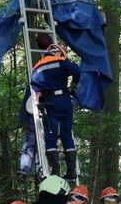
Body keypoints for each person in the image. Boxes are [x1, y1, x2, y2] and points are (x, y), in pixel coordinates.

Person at [22, 33, 81, 181]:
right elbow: (78, 71)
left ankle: (55, 172)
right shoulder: (62, 61)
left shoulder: (37, 67)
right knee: (67, 136)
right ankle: (72, 172)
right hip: (65, 101)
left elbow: (34, 85)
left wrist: (39, 97)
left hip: (50, 103)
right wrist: (73, 86)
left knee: (50, 138)